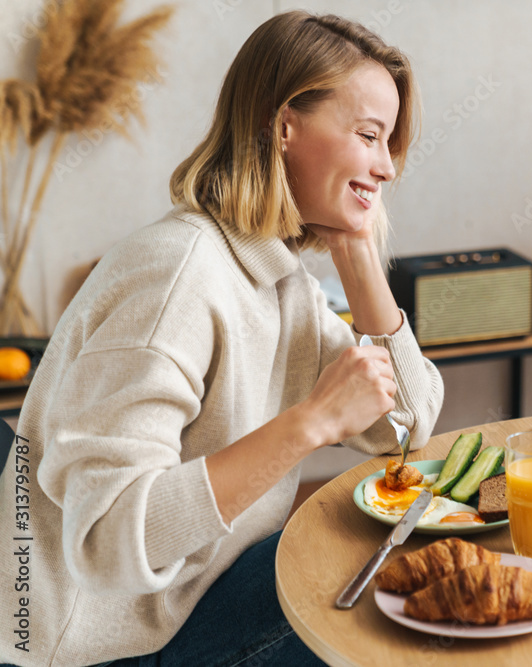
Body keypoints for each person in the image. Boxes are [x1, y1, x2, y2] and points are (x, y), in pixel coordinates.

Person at [0, 11, 443, 666]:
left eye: (388, 145)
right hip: (100, 642)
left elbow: (406, 424)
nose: (386, 168)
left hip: (190, 594)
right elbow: (109, 539)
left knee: (390, 548)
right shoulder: (177, 276)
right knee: (371, 597)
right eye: (371, 136)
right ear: (285, 123)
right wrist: (310, 423)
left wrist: (357, 256)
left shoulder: (275, 276)